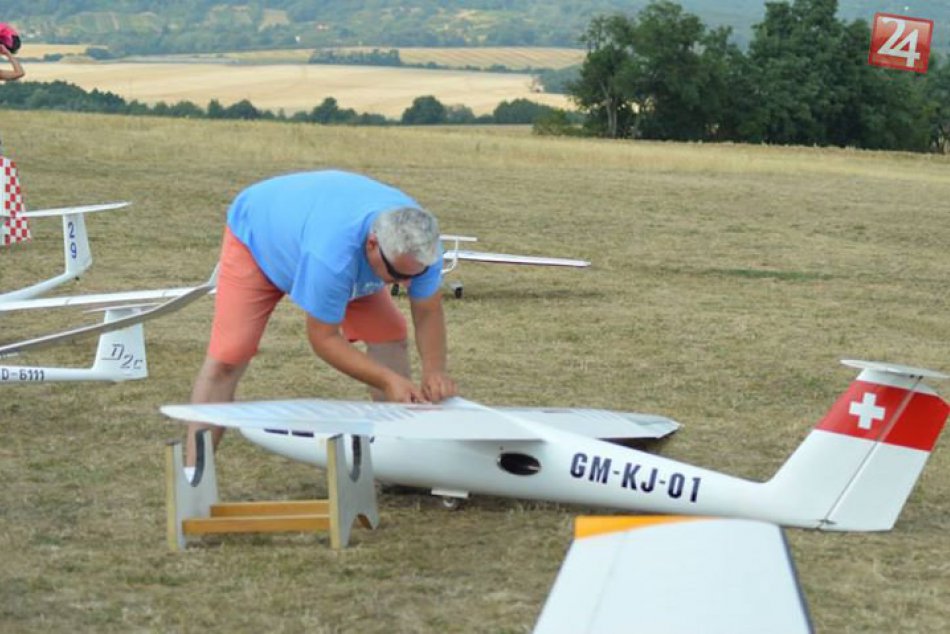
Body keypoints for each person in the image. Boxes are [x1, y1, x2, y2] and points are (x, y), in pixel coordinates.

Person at [185, 170, 458, 469]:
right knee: (229, 356)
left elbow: (428, 309)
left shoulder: (422, 249)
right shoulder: (331, 257)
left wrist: (435, 370)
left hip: (323, 231)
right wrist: (388, 380)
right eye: (398, 276)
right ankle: (193, 472)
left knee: (390, 334)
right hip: (259, 240)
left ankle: (400, 458)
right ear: (372, 244)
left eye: (415, 276)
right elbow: (323, 339)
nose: (407, 285)